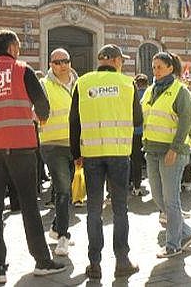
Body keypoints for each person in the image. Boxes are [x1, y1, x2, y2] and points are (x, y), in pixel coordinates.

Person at [0, 30, 65, 284]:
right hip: (22, 145)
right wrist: (38, 118)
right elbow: (42, 105)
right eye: (19, 47)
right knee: (29, 205)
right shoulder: (23, 70)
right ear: (12, 47)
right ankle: (42, 260)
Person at [69, 44, 142, 280]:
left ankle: (94, 263)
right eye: (121, 59)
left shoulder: (83, 82)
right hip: (119, 153)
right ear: (113, 60)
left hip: (90, 153)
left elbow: (74, 120)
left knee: (93, 210)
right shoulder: (126, 83)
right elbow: (138, 118)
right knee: (120, 208)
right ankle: (122, 260)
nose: (122, 63)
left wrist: (75, 153)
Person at [142, 51, 191, 258]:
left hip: (172, 151)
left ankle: (173, 244)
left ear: (170, 68)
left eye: (159, 67)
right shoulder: (149, 91)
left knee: (171, 200)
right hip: (152, 150)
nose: (155, 71)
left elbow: (185, 122)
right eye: (153, 67)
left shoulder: (180, 91)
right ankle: (186, 232)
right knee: (157, 196)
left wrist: (174, 149)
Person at [38, 48, 77, 256]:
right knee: (62, 189)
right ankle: (63, 235)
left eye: (65, 60)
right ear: (50, 65)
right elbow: (34, 111)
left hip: (75, 144)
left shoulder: (79, 84)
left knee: (68, 189)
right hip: (52, 144)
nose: (62, 65)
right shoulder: (43, 85)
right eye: (57, 62)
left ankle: (55, 227)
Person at [130, 74, 150, 196]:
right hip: (147, 132)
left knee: (133, 160)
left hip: (132, 131)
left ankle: (134, 185)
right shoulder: (150, 94)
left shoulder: (133, 95)